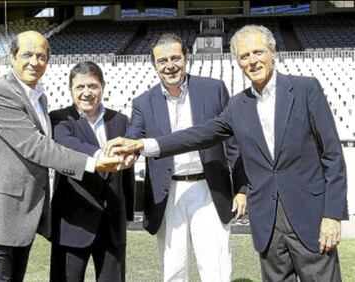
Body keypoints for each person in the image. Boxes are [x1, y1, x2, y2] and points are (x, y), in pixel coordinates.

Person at [105, 25, 348, 281]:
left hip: (307, 214)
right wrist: (143, 145)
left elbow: (332, 155)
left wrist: (332, 214)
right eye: (244, 56)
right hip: (266, 220)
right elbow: (198, 135)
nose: (252, 61)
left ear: (272, 52)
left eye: (258, 52)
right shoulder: (238, 105)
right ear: (238, 62)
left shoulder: (306, 89)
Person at [0, 31, 125, 282]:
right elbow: (36, 147)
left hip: (17, 221)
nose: (34, 62)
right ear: (12, 57)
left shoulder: (38, 98)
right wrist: (94, 162)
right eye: (27, 54)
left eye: (41, 56)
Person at [123, 33, 247, 282]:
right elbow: (132, 142)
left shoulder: (214, 89)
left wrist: (241, 189)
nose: (169, 66)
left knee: (217, 267)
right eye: (162, 61)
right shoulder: (143, 102)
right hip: (168, 193)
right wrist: (123, 152)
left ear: (186, 57)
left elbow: (234, 145)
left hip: (209, 188)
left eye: (175, 58)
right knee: (173, 269)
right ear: (154, 64)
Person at [48, 61, 135, 282]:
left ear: (103, 86)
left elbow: (127, 174)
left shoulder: (120, 120)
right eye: (80, 87)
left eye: (93, 86)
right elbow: (67, 145)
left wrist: (128, 212)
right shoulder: (59, 119)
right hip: (72, 222)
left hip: (112, 222)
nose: (87, 93)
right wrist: (101, 157)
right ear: (71, 89)